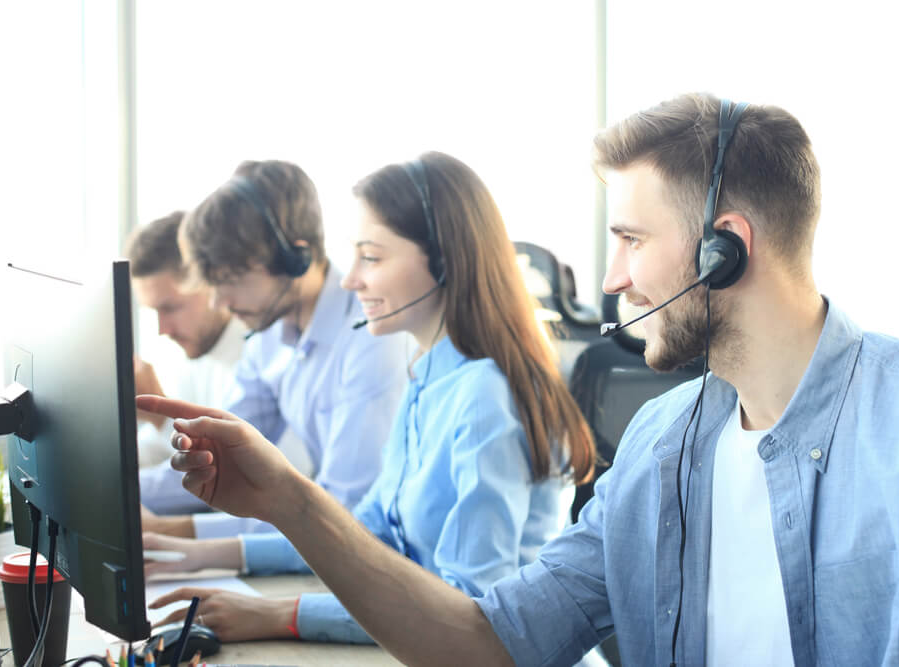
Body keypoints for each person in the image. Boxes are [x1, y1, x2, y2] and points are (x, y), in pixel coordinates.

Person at [139, 94, 899, 665]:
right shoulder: (661, 446)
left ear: (724, 248)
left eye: (630, 238)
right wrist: (291, 497)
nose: (612, 277)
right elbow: (489, 638)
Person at [141, 152, 596, 646]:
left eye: (371, 257)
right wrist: (207, 552)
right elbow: (358, 535)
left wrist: (283, 614)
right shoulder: (426, 376)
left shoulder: (486, 394)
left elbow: (472, 613)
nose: (349, 278)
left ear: (445, 262)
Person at [141, 159, 407, 539]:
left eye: (229, 281)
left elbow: (343, 516)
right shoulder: (268, 337)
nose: (218, 303)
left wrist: (176, 531)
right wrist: (122, 494)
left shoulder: (371, 340)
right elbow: (213, 457)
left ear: (294, 258)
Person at [126, 211, 245, 468]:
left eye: (170, 308)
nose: (162, 329)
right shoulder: (193, 351)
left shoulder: (257, 358)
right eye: (153, 311)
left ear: (210, 281)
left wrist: (159, 416)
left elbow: (222, 471)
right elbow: (163, 452)